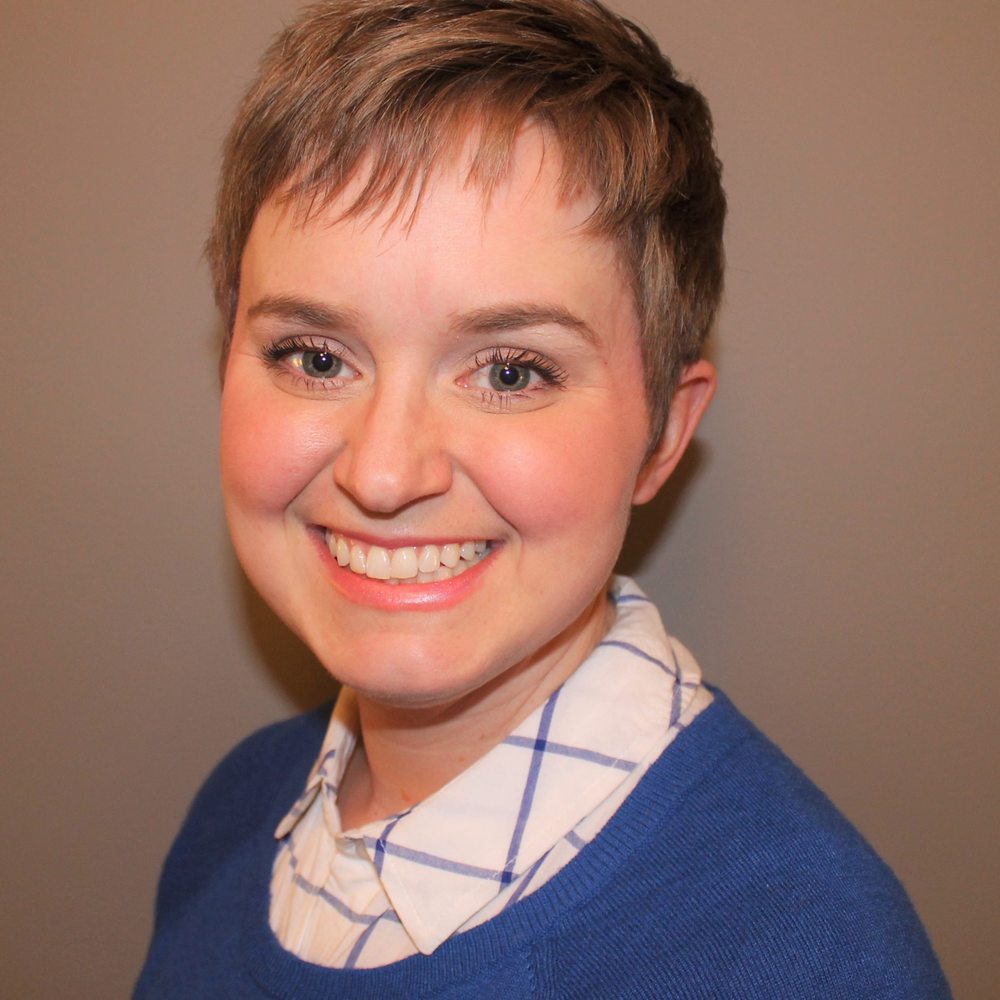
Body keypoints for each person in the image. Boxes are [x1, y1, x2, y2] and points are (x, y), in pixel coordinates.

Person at [135, 1, 951, 996]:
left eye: (511, 372)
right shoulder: (235, 808)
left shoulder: (806, 958)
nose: (383, 474)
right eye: (315, 357)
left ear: (663, 434)